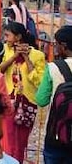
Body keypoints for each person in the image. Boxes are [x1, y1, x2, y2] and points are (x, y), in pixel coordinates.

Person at [0, 21, 46, 163]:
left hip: (28, 103)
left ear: (18, 37)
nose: (5, 39)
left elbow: (39, 81)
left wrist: (26, 58)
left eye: (8, 35)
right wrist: (13, 57)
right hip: (8, 102)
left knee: (21, 143)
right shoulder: (5, 50)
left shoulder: (37, 55)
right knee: (9, 142)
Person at [35, 25, 72, 163]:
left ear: (63, 46)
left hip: (56, 133)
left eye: (56, 44)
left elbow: (41, 100)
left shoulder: (52, 67)